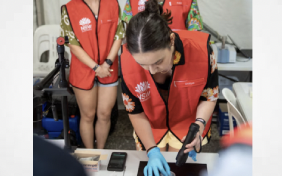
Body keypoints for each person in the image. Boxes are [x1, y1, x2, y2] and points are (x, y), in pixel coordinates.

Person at [120, 0, 218, 175]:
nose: (151, 70)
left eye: (158, 62)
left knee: (179, 169)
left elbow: (209, 95)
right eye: (143, 64)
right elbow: (134, 110)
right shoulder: (127, 62)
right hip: (150, 124)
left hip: (187, 124)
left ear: (171, 40)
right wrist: (151, 150)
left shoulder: (202, 53)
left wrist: (200, 124)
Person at [60, 0, 125, 149]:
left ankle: (100, 152)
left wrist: (107, 63)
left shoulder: (113, 4)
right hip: (83, 70)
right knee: (88, 115)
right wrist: (96, 67)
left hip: (109, 68)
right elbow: (72, 44)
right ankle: (90, 154)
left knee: (104, 114)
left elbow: (119, 35)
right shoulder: (69, 9)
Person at [122, 0, 203, 31]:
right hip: (143, 61)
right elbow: (129, 32)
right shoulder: (132, 1)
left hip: (177, 58)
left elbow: (195, 33)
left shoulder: (189, 1)